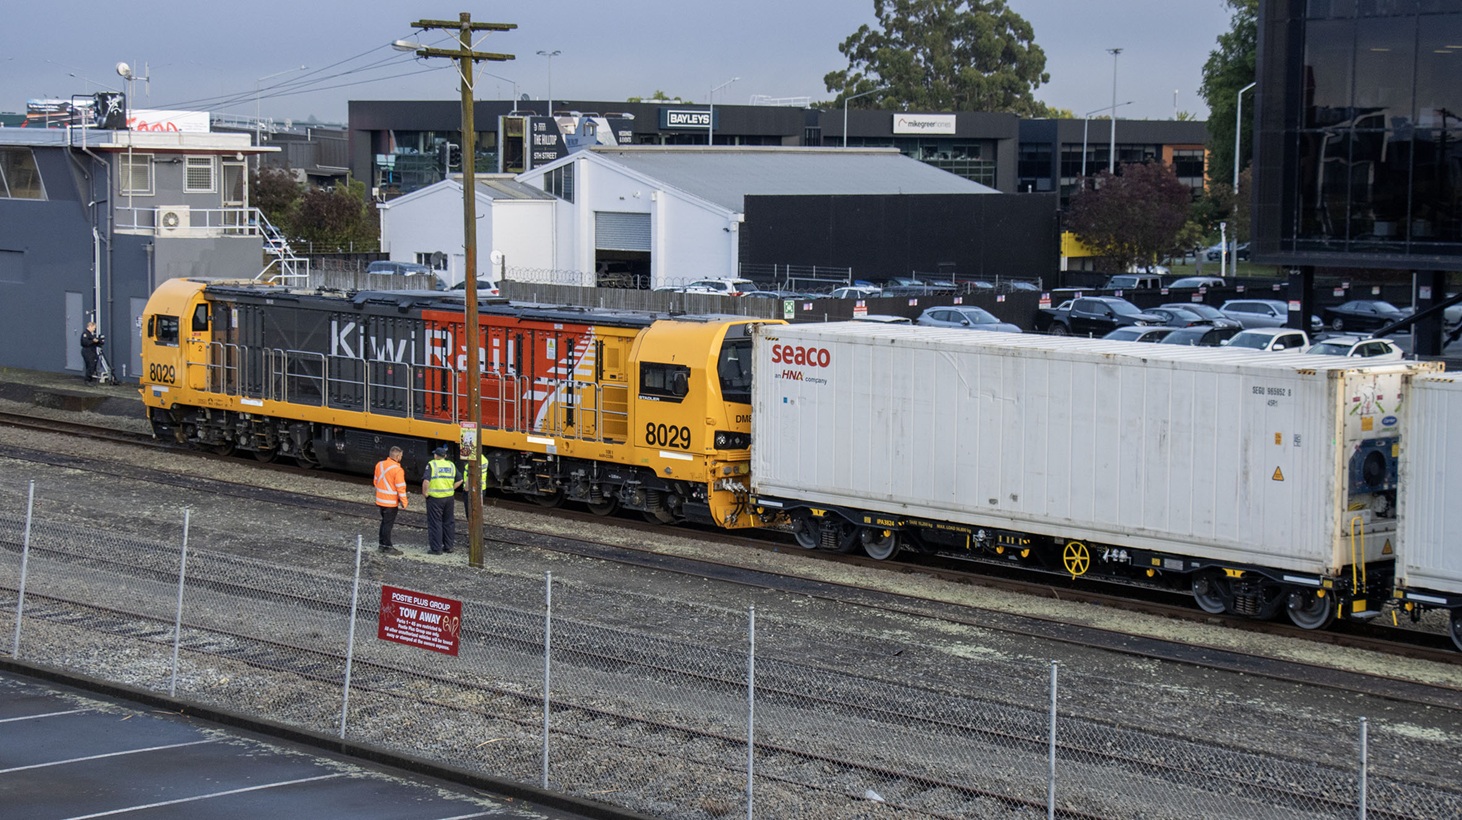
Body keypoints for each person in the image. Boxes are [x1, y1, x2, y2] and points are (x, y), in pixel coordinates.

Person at [421, 444, 461, 554]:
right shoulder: (451, 465)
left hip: (435, 499)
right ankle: (449, 547)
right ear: (445, 456)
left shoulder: (432, 465)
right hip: (449, 498)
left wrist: (425, 493)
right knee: (448, 522)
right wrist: (450, 489)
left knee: (435, 523)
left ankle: (436, 549)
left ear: (436, 455)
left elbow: (426, 481)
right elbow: (460, 480)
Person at [373, 446, 408, 556]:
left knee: (384, 523)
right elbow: (400, 487)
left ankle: (381, 545)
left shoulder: (380, 465)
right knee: (388, 525)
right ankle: (387, 546)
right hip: (390, 502)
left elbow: (375, 481)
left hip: (380, 500)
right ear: (397, 456)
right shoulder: (398, 470)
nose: (401, 458)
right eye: (401, 456)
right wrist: (404, 502)